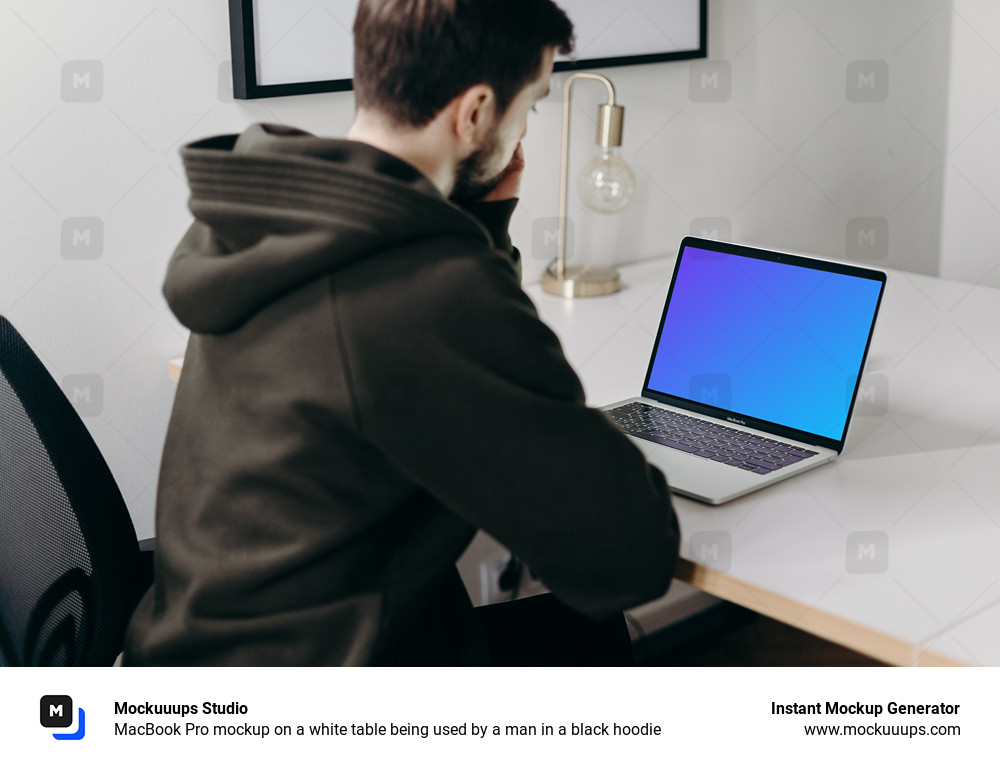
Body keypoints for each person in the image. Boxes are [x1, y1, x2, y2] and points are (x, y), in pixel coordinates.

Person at [123, 0, 679, 666]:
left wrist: (484, 222)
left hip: (199, 649)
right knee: (598, 632)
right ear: (476, 112)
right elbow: (629, 555)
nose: (526, 128)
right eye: (529, 105)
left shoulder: (275, 217)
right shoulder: (426, 289)